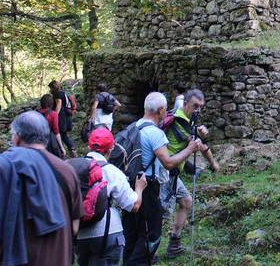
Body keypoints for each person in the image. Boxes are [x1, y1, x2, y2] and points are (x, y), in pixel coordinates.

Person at [0, 111, 83, 266]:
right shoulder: (67, 171)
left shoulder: (4, 166)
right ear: (45, 138)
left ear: (17, 138)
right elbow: (74, 228)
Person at [122, 92, 205, 266]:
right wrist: (190, 150)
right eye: (165, 110)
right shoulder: (155, 133)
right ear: (160, 110)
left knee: (132, 233)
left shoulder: (133, 127)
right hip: (148, 188)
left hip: (130, 185)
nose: (165, 113)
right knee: (150, 235)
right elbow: (168, 163)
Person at [160, 89, 220, 258]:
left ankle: (174, 244)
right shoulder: (179, 121)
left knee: (186, 202)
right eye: (195, 106)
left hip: (173, 173)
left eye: (201, 106)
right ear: (185, 104)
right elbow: (197, 146)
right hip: (164, 174)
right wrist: (213, 163)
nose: (198, 110)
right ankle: (148, 252)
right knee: (159, 215)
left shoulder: (188, 121)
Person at [77, 128, 147, 266]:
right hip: (108, 233)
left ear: (88, 146)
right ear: (111, 149)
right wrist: (139, 188)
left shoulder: (74, 168)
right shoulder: (112, 172)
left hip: (80, 234)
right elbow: (134, 206)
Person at [49, 80, 75, 155]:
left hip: (62, 117)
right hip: (67, 115)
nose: (50, 90)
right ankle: (70, 149)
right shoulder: (63, 93)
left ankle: (65, 150)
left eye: (50, 88)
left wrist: (55, 116)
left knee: (60, 133)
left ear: (53, 88)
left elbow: (59, 105)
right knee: (63, 134)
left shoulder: (57, 94)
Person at [40, 93, 66, 158]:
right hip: (50, 141)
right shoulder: (54, 114)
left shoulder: (36, 113)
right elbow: (56, 131)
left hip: (38, 140)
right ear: (51, 103)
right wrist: (61, 147)